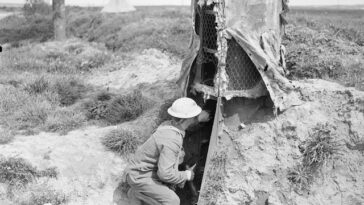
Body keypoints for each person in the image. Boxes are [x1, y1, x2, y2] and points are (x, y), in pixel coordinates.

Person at [124, 97, 210, 205]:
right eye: (195, 116)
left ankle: (139, 193)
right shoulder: (172, 139)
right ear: (188, 118)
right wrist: (186, 175)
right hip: (140, 176)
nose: (197, 117)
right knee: (172, 201)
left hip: (140, 171)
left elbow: (186, 127)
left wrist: (197, 119)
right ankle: (137, 193)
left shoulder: (169, 125)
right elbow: (165, 174)